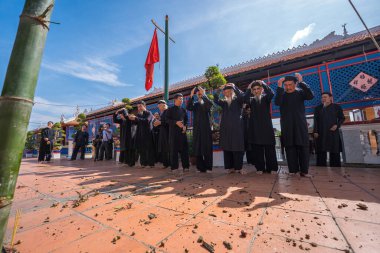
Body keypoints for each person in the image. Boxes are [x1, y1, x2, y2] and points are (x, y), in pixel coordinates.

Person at [275, 73, 314, 177]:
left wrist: (302, 82)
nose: (288, 87)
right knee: (290, 147)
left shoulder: (300, 93)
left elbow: (310, 96)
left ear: (295, 84)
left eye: (290, 84)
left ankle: (304, 171)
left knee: (303, 147)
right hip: (287, 125)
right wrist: (279, 87)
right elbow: (277, 102)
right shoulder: (282, 95)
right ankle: (293, 170)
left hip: (300, 124)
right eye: (286, 85)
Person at [245, 80, 278, 174]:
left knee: (270, 150)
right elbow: (244, 99)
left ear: (262, 89)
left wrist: (263, 83)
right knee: (257, 150)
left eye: (258, 89)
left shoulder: (266, 98)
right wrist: (248, 88)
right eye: (254, 89)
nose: (256, 91)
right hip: (255, 129)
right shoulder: (250, 100)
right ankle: (260, 168)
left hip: (266, 128)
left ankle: (272, 168)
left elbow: (271, 93)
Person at [214, 83, 246, 174]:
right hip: (226, 129)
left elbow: (241, 96)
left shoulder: (238, 101)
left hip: (237, 129)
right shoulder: (223, 103)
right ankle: (229, 167)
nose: (228, 93)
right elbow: (215, 99)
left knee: (238, 148)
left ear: (233, 92)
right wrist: (219, 90)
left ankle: (238, 168)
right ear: (224, 93)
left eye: (230, 91)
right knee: (227, 148)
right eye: (226, 92)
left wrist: (234, 86)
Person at [313, 92, 345, 167]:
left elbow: (342, 118)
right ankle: (321, 167)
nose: (323, 99)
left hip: (332, 131)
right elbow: (315, 120)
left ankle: (335, 167)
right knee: (321, 150)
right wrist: (315, 131)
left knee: (334, 149)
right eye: (322, 97)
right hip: (321, 132)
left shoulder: (337, 107)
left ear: (330, 98)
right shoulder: (318, 108)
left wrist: (337, 125)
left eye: (325, 97)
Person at [186, 86, 213, 173]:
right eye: (198, 93)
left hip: (206, 128)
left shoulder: (207, 102)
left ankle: (209, 167)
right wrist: (191, 95)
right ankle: (200, 168)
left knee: (207, 147)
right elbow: (189, 107)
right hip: (197, 129)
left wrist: (204, 94)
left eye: (201, 92)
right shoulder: (196, 104)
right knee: (198, 148)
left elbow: (209, 105)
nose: (199, 94)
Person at [166, 93, 190, 174]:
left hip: (182, 133)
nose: (181, 100)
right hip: (173, 133)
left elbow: (186, 120)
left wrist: (185, 127)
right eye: (180, 98)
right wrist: (176, 122)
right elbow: (166, 120)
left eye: (182, 99)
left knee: (184, 151)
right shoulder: (170, 110)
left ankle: (186, 166)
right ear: (175, 100)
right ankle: (174, 167)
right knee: (174, 151)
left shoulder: (183, 110)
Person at [129, 101, 155, 167]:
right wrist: (132, 119)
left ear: (144, 106)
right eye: (138, 107)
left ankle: (151, 163)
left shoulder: (149, 113)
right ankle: (143, 163)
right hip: (140, 134)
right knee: (141, 149)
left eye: (140, 106)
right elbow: (135, 123)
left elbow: (147, 121)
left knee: (149, 149)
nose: (139, 108)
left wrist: (136, 118)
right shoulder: (139, 115)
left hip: (148, 134)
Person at [153, 100, 170, 168]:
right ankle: (165, 164)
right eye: (158, 106)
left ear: (164, 105)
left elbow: (168, 122)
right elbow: (162, 122)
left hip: (167, 133)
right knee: (163, 148)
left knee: (167, 148)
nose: (159, 107)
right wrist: (157, 123)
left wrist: (160, 123)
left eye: (159, 105)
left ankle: (169, 164)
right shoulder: (161, 113)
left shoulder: (168, 111)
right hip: (162, 132)